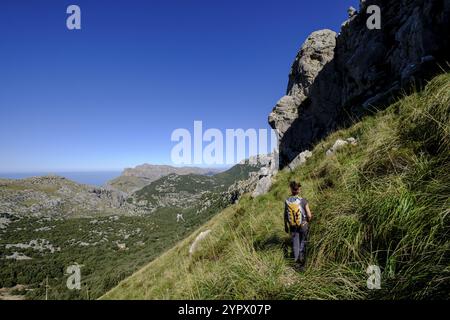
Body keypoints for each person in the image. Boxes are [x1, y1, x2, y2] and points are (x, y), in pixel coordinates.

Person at [284, 181, 313, 271]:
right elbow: (309, 215)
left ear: (291, 190)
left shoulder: (287, 201)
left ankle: (296, 264)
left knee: (295, 244)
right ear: (299, 190)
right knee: (303, 242)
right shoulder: (303, 200)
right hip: (303, 224)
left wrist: (286, 226)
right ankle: (303, 264)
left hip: (292, 226)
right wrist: (307, 221)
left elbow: (285, 215)